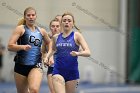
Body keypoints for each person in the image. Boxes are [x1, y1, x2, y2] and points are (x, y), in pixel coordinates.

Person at [7, 7, 51, 93]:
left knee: (34, 90)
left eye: (33, 15)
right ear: (25, 17)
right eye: (28, 15)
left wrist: (47, 55)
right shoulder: (20, 29)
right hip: (21, 65)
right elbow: (10, 46)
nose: (31, 17)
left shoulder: (42, 31)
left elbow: (50, 43)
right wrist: (22, 47)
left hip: (36, 64)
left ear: (36, 17)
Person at [44, 12, 91, 93]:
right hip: (58, 71)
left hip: (72, 72)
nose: (66, 22)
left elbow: (88, 52)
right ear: (61, 23)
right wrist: (47, 57)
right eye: (64, 20)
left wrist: (78, 53)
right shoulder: (56, 37)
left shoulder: (77, 35)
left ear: (73, 24)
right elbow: (53, 49)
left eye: (69, 21)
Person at [42, 18, 61, 93]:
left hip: (63, 68)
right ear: (50, 27)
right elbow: (43, 51)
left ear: (60, 27)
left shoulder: (64, 38)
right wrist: (45, 58)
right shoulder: (47, 38)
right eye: (53, 26)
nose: (55, 28)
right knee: (53, 91)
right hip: (51, 68)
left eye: (57, 26)